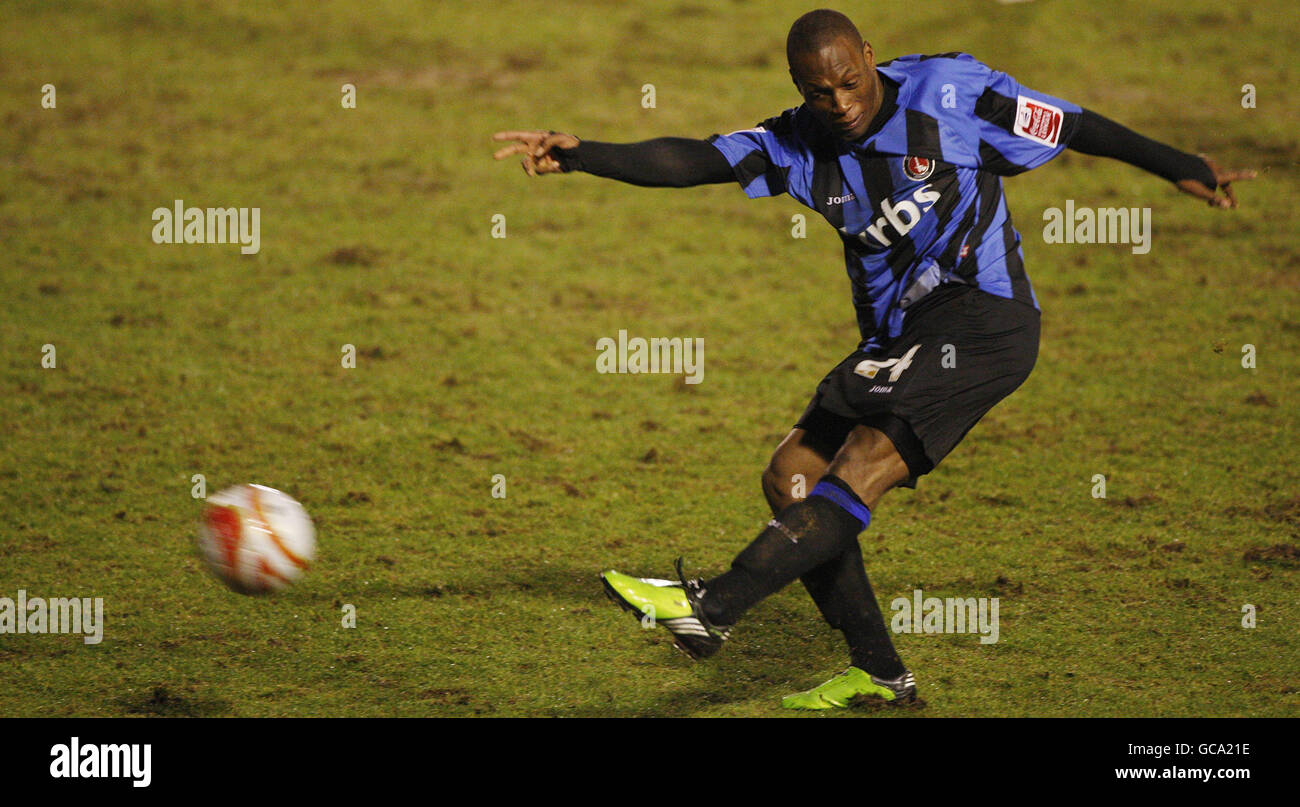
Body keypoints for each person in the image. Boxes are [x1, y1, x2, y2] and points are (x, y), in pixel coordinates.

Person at [491, 8, 1255, 710]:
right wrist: (582, 154)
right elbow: (694, 159)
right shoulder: (795, 141)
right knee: (791, 474)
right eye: (821, 92)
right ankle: (882, 675)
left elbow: (1074, 124)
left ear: (870, 56)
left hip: (984, 319)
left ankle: (712, 606)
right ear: (801, 88)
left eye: (851, 82)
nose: (842, 103)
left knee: (859, 460)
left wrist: (1177, 162)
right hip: (897, 336)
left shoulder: (949, 93)